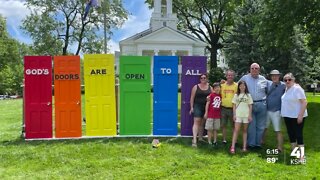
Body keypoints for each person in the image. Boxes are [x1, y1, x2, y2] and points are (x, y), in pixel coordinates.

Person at [239, 63, 267, 148]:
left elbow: (273, 85)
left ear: (259, 70)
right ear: (250, 69)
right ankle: (251, 144)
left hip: (262, 104)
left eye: (256, 68)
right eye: (252, 68)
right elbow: (237, 86)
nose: (254, 70)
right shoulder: (245, 78)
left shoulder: (263, 79)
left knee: (261, 126)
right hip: (249, 105)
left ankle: (258, 143)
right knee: (251, 125)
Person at [281, 73, 307, 159]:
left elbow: (304, 102)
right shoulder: (286, 89)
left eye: (289, 79)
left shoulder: (297, 89)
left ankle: (302, 156)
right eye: (285, 80)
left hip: (297, 116)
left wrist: (300, 116)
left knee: (298, 135)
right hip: (287, 115)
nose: (287, 81)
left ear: (293, 80)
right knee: (291, 133)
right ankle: (294, 152)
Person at [262, 70, 285, 151]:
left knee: (278, 130)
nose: (274, 77)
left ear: (279, 76)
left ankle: (279, 147)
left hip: (277, 111)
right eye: (273, 76)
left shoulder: (283, 85)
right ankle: (262, 142)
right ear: (271, 77)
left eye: (276, 75)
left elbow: (292, 86)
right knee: (264, 128)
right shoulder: (268, 83)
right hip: (267, 110)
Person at [189, 73, 213, 147]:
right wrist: (191, 107)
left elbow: (213, 97)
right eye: (201, 78)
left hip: (206, 107)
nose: (203, 79)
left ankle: (200, 138)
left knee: (203, 123)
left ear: (207, 78)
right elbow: (192, 98)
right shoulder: (196, 87)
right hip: (197, 106)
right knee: (196, 122)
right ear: (200, 79)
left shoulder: (210, 87)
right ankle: (194, 140)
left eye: (204, 78)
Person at [230, 81, 253, 153]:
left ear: (245, 86)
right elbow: (233, 106)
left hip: (246, 116)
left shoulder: (248, 95)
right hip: (238, 115)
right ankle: (233, 146)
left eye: (243, 85)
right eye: (240, 86)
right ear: (238, 87)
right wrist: (234, 115)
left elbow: (250, 105)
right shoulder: (236, 95)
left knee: (245, 131)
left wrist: (250, 115)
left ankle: (244, 147)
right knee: (236, 130)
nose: (242, 87)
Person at [220, 70, 238, 144]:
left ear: (234, 76)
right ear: (226, 76)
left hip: (233, 109)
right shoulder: (222, 86)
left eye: (231, 75)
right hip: (223, 108)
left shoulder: (236, 86)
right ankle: (224, 140)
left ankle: (235, 140)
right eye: (228, 75)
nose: (230, 76)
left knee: (234, 126)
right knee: (223, 125)